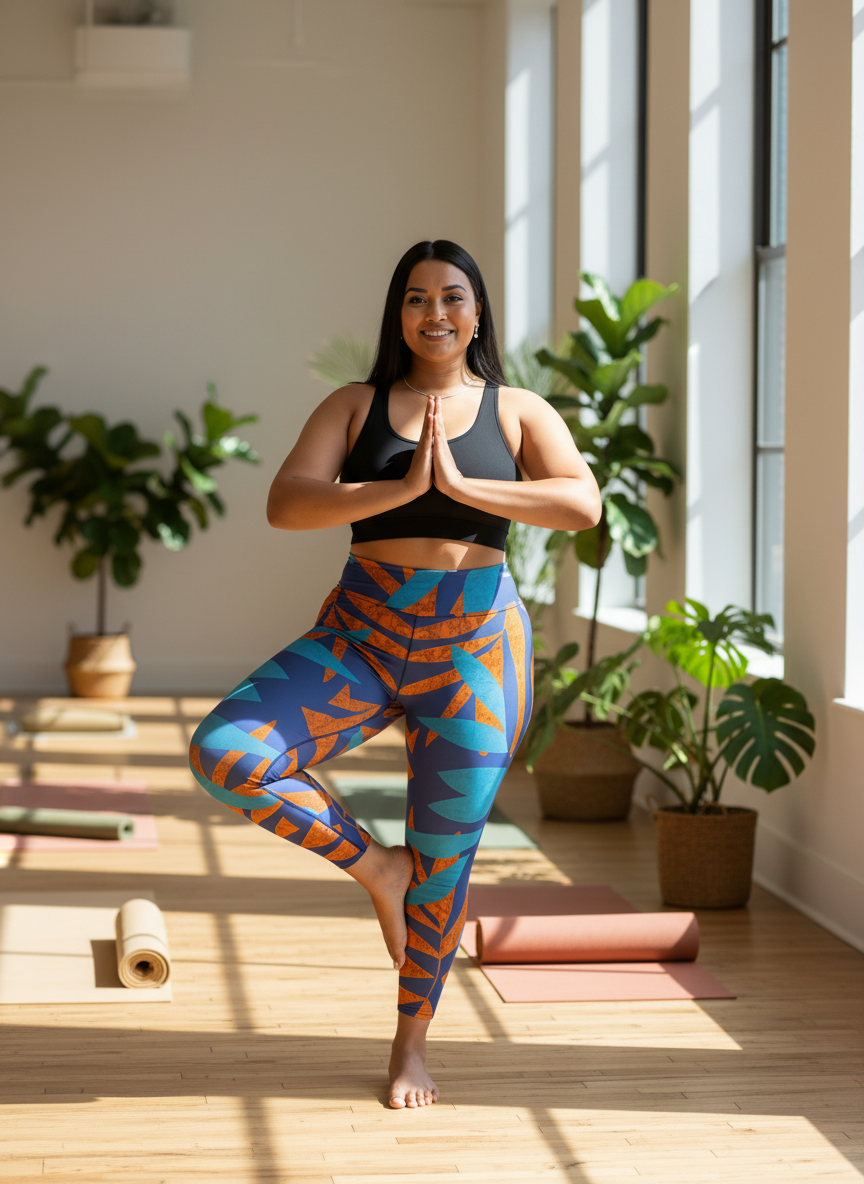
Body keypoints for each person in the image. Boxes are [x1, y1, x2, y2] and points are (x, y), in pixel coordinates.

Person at [189, 239, 601, 1108]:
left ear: (477, 313)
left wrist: (463, 487)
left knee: (445, 862)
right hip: (363, 635)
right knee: (225, 751)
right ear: (399, 315)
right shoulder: (354, 404)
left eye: (452, 296)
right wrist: (401, 488)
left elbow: (580, 503)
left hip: (475, 652)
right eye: (416, 298)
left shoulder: (518, 410)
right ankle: (378, 869)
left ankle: (410, 1047)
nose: (434, 312)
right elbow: (287, 503)